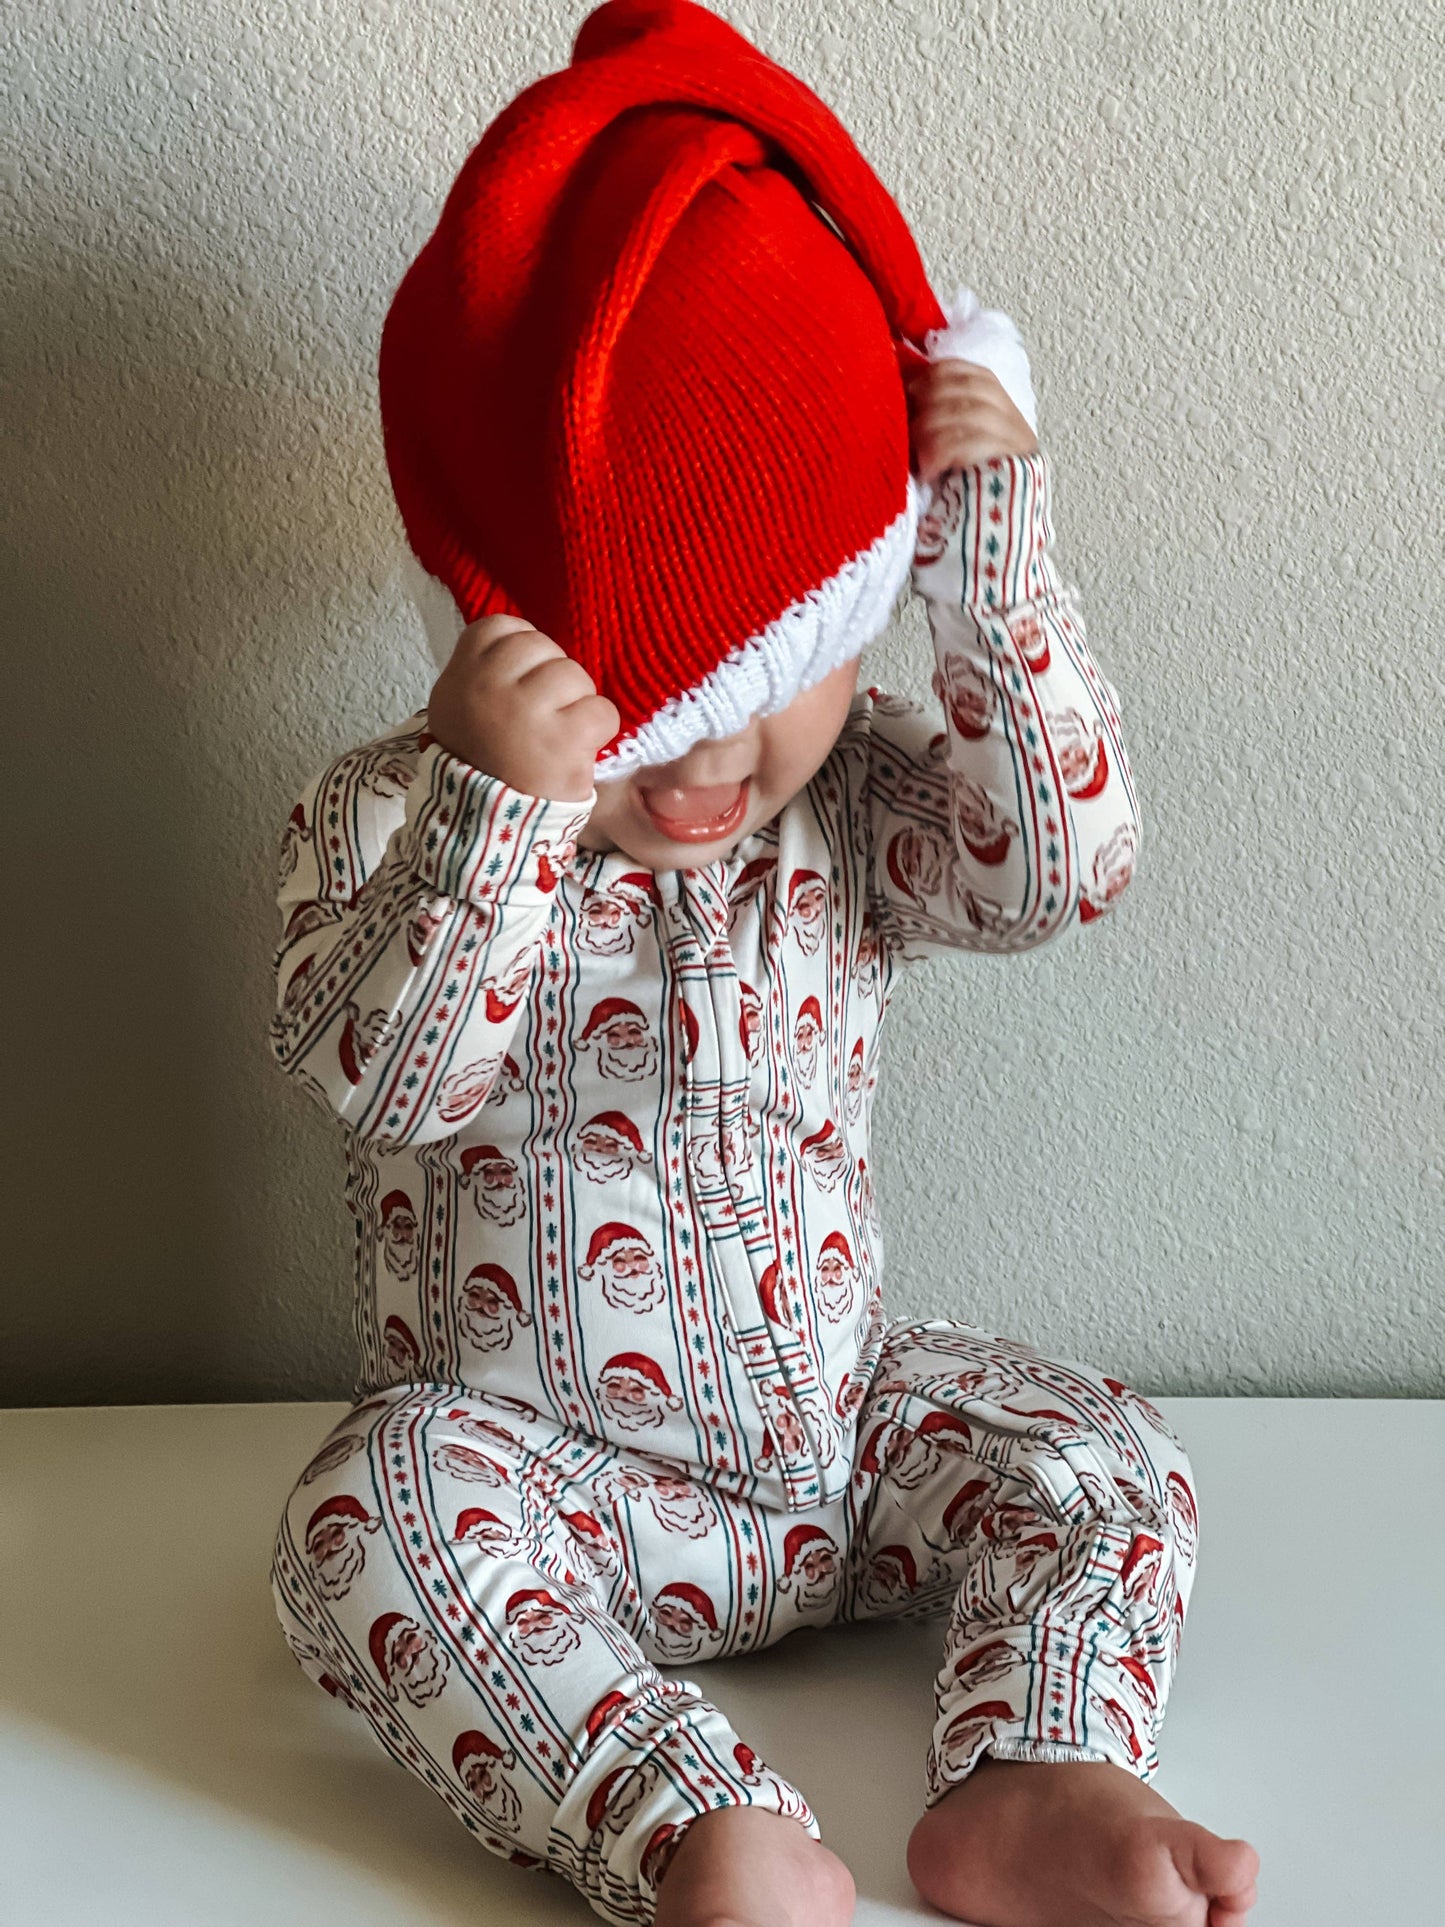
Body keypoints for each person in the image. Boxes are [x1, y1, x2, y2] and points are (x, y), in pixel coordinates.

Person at [265, 4, 1260, 1924]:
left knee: (1113, 1459)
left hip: (839, 1428)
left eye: (784, 665)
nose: (715, 755)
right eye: (645, 700)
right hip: (542, 1489)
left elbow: (1063, 870)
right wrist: (502, 816)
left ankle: (1033, 1760)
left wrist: (992, 561)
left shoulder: (846, 808)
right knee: (354, 1518)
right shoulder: (394, 823)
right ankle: (685, 1824)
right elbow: (385, 1077)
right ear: (500, 637)